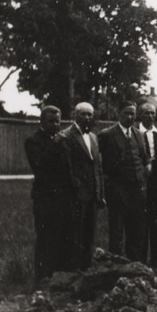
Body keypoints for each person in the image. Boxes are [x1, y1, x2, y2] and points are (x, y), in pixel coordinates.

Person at [24, 105, 74, 287]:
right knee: (46, 237)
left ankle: (60, 278)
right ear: (41, 122)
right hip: (45, 198)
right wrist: (55, 144)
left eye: (58, 121)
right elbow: (40, 165)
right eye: (51, 121)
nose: (55, 125)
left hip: (64, 197)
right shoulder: (33, 141)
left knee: (64, 236)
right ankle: (43, 277)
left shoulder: (63, 141)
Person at [99, 101, 150, 263]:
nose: (129, 117)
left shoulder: (139, 134)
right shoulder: (106, 135)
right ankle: (116, 265)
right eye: (126, 113)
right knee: (117, 230)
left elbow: (145, 158)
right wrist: (109, 185)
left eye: (132, 114)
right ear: (118, 114)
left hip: (137, 190)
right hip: (117, 190)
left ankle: (136, 265)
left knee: (137, 228)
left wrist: (146, 169)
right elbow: (100, 165)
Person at [61, 101, 104, 271]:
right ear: (74, 115)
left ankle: (87, 268)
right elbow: (68, 167)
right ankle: (73, 270)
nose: (87, 118)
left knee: (89, 234)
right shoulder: (66, 136)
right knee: (74, 233)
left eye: (89, 115)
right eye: (83, 114)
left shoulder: (93, 137)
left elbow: (97, 167)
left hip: (92, 194)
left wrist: (100, 193)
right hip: (76, 195)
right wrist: (75, 189)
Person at [136, 101, 157, 268]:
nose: (150, 116)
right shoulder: (135, 134)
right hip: (142, 180)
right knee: (141, 221)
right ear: (139, 115)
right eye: (146, 113)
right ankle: (141, 260)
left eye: (152, 113)